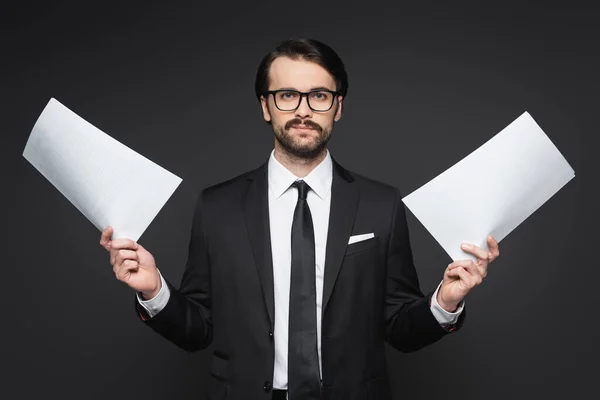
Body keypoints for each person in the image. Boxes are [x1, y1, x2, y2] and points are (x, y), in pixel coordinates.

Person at [99, 38, 500, 400]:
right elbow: (197, 330)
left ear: (338, 107)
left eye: (319, 96)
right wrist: (154, 291)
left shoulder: (382, 204)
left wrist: (445, 302)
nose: (304, 111)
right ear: (265, 106)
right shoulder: (217, 207)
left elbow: (400, 330)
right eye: (287, 95)